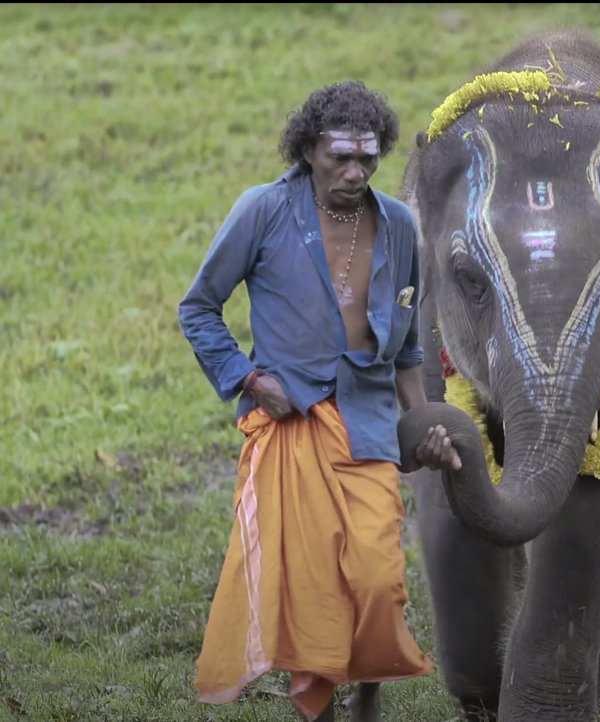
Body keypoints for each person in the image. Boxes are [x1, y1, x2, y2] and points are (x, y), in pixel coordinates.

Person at [178, 80, 460, 722]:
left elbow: (409, 351)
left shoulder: (399, 226)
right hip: (292, 424)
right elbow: (198, 308)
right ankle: (325, 712)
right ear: (308, 150)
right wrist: (250, 379)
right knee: (310, 593)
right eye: (341, 158)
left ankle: (368, 691)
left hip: (369, 427)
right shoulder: (263, 211)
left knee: (376, 579)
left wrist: (424, 430)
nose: (355, 172)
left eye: (368, 158)